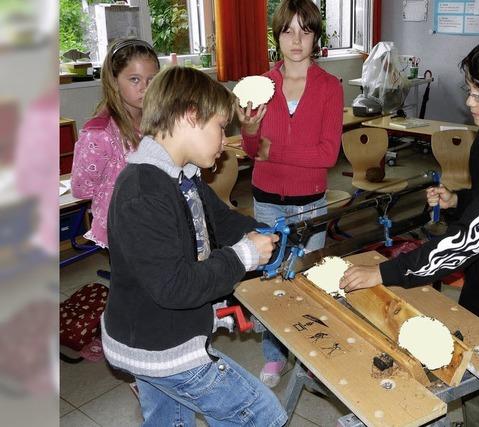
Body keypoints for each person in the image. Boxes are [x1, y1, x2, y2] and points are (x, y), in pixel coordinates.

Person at [340, 29, 479, 427]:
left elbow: (469, 240)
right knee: (470, 369)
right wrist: (459, 202)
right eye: (470, 90)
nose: (470, 103)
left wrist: (383, 272)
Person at [101, 66, 287, 427]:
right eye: (220, 128)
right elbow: (175, 286)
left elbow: (227, 223)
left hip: (161, 336)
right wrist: (245, 255)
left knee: (169, 421)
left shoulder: (182, 177)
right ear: (190, 116)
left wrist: (273, 235)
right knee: (262, 416)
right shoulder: (143, 190)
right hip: (159, 347)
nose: (224, 140)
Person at [236, 0, 344, 388]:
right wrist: (250, 132)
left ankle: (312, 353)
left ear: (316, 35)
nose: (296, 40)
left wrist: (272, 150)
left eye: (305, 30)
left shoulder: (330, 87)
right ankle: (274, 355)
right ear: (277, 35)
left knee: (308, 280)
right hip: (266, 199)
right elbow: (251, 151)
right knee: (272, 278)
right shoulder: (261, 85)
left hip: (310, 203)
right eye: (287, 31)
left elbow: (327, 154)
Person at [71, 38, 159, 248]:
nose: (145, 88)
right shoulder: (99, 133)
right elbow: (81, 188)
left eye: (152, 79)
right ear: (114, 81)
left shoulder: (158, 121)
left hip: (155, 220)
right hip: (122, 229)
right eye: (134, 79)